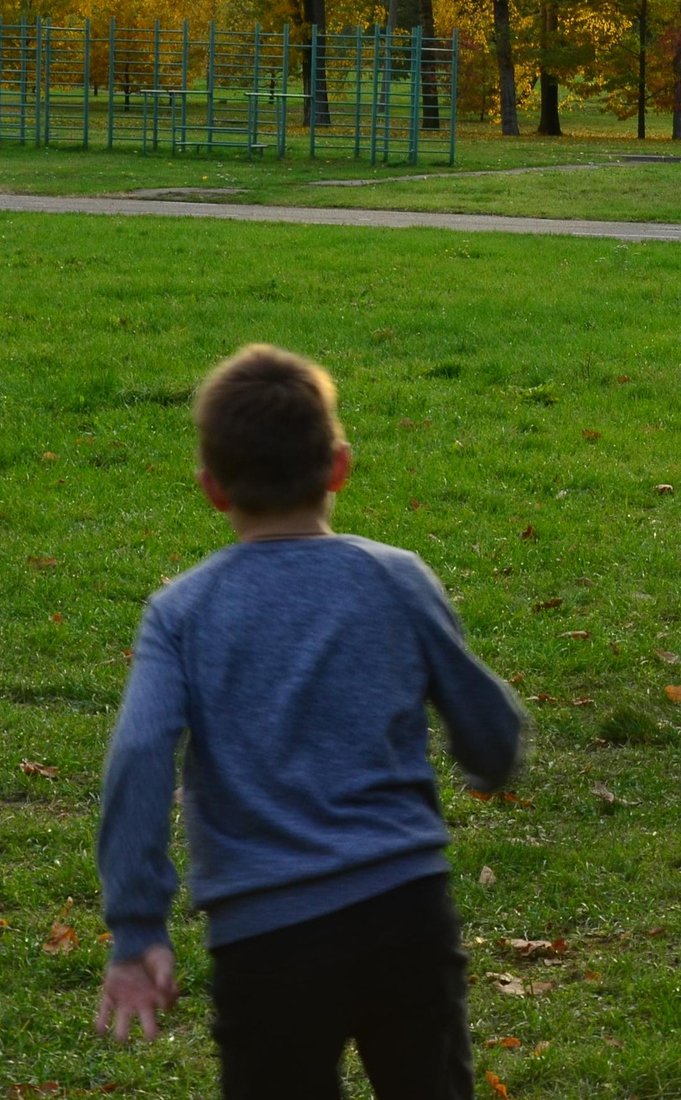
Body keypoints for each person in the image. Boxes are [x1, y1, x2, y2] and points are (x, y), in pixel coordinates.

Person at [94, 344, 526, 1098]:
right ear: (339, 467)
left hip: (265, 939)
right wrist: (489, 760)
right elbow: (488, 725)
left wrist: (138, 929)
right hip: (405, 914)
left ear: (210, 489)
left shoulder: (183, 613)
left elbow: (137, 755)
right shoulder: (395, 578)